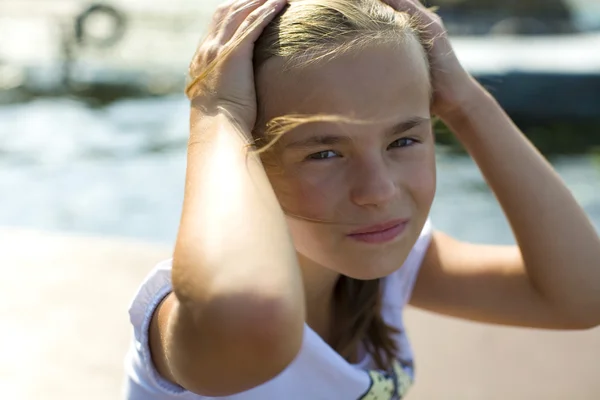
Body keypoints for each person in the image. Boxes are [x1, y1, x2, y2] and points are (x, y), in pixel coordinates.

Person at [124, 0, 600, 399]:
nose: (378, 191)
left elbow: (581, 294)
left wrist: (465, 99)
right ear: (243, 158)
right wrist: (216, 113)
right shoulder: (189, 321)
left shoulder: (390, 270)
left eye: (403, 142)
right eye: (324, 152)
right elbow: (255, 317)